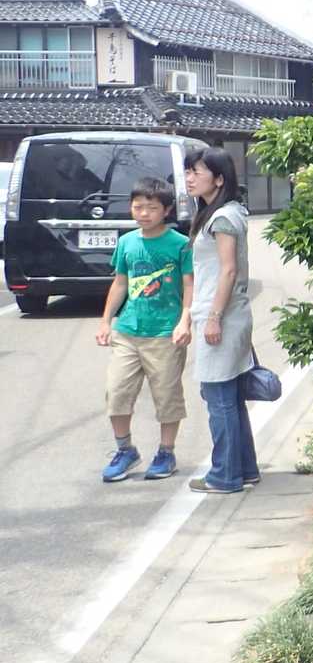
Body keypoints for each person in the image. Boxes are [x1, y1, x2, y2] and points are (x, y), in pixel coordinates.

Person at [95, 177, 194, 482]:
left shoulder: (180, 244)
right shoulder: (127, 242)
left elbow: (190, 285)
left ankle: (166, 452)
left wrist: (185, 319)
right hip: (127, 331)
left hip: (165, 333)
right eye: (138, 207)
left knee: (167, 396)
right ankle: (125, 450)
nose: (143, 213)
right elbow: (120, 283)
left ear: (167, 210)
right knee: (116, 391)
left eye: (151, 208)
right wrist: (106, 320)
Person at [183, 147, 259, 494]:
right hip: (227, 314)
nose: (189, 178)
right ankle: (244, 470)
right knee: (229, 396)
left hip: (222, 317)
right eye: (188, 171)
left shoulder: (223, 217)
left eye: (196, 172)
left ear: (218, 179)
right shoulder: (222, 212)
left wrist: (213, 317)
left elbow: (228, 270)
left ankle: (225, 476)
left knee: (219, 398)